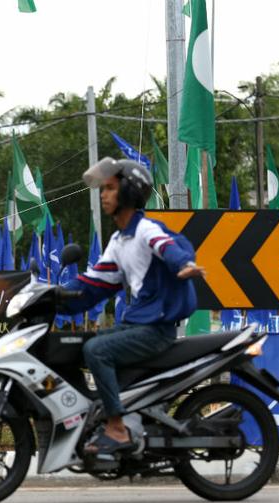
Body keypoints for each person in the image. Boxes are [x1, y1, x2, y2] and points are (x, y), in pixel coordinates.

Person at [61, 157, 206, 456]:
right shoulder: (118, 240)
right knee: (84, 343)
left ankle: (117, 428)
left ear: (128, 192)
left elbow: (166, 246)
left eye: (111, 188)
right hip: (138, 322)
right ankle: (124, 415)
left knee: (96, 351)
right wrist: (52, 297)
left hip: (155, 328)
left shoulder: (144, 229)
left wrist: (184, 264)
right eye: (103, 189)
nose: (103, 195)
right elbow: (95, 284)